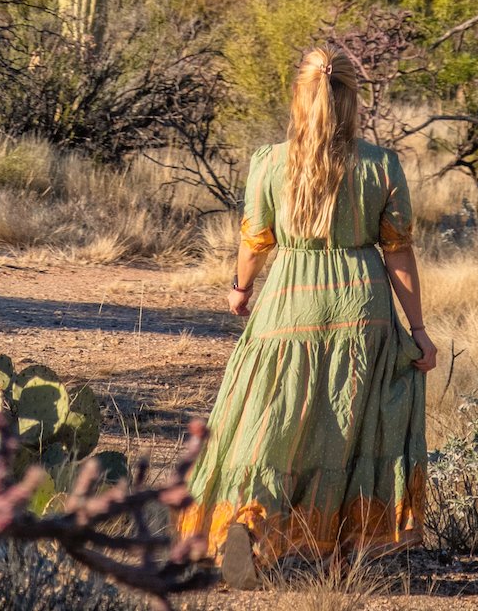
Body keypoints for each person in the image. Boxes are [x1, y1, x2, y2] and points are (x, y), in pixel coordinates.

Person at [178, 43, 437, 586]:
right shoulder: (382, 165)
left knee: (268, 419)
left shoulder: (271, 162)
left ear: (300, 94)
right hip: (362, 308)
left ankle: (246, 518)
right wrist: (418, 331)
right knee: (348, 424)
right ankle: (344, 549)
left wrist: (240, 289)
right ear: (353, 101)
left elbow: (255, 240)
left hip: (288, 303)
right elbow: (399, 252)